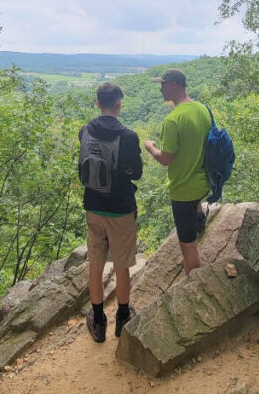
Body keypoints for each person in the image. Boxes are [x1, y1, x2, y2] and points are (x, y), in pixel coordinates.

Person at [79, 82, 143, 343]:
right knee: (122, 264)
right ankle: (123, 316)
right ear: (118, 103)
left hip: (93, 205)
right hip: (120, 209)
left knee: (95, 261)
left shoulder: (84, 131)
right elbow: (136, 172)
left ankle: (98, 319)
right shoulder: (128, 137)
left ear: (97, 103)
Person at [144, 68, 211, 275]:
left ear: (173, 85)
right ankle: (199, 221)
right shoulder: (202, 109)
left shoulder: (173, 120)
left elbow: (165, 159)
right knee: (195, 207)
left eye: (162, 84)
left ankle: (193, 283)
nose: (161, 89)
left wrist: (150, 147)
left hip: (183, 189)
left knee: (187, 244)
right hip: (203, 181)